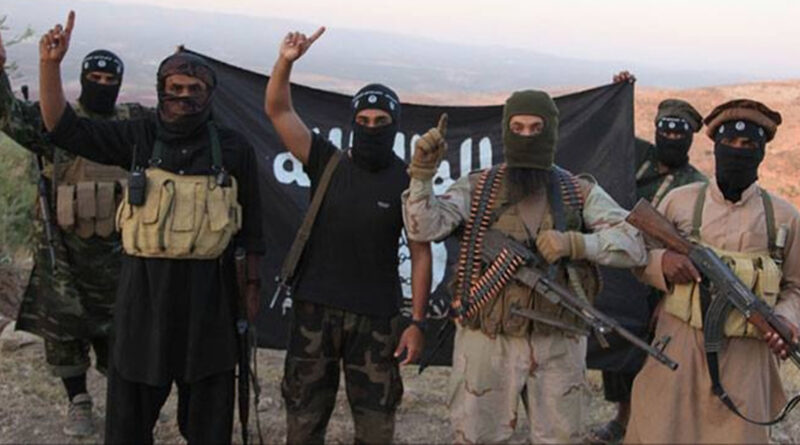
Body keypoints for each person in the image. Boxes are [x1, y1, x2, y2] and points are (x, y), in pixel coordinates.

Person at [37, 12, 265, 443]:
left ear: (209, 95)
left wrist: (251, 287)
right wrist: (50, 66)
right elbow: (65, 129)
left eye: (194, 90)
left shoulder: (233, 148)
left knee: (208, 424)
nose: (184, 97)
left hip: (209, 300)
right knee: (128, 424)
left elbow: (252, 228)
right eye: (175, 89)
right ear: (162, 90)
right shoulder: (138, 137)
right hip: (143, 299)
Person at [402, 89, 647, 443]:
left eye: (536, 128)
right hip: (487, 339)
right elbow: (423, 228)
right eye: (517, 128)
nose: (527, 137)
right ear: (506, 131)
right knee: (476, 437)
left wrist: (577, 243)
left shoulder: (577, 192)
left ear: (552, 133)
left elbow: (635, 244)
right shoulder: (478, 188)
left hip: (558, 340)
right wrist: (422, 176)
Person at [265, 27, 433, 444]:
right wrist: (286, 61)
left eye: (381, 121)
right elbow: (278, 110)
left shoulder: (406, 181)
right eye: (363, 121)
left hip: (377, 320)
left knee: (376, 427)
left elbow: (421, 253)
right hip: (314, 313)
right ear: (353, 123)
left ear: (395, 125)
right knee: (303, 422)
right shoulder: (326, 161)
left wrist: (416, 323)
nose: (371, 127)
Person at [625, 99, 800, 443]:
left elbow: (795, 286)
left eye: (748, 144)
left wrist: (785, 318)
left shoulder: (784, 217)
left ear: (761, 153)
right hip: (679, 343)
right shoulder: (681, 201)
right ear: (716, 147)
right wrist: (663, 263)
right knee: (660, 431)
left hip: (747, 356)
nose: (738, 151)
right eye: (729, 142)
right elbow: (637, 255)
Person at [0, 28, 147, 436]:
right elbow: (8, 115)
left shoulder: (132, 124)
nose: (102, 85)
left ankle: (124, 403)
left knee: (124, 334)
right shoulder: (55, 120)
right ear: (82, 78)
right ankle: (78, 401)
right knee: (64, 330)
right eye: (94, 78)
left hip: (122, 257)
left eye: (110, 79)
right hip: (64, 255)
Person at [587, 72, 707, 444]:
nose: (670, 137)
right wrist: (615, 91)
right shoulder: (637, 156)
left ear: (690, 137)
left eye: (679, 132)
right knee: (614, 346)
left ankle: (647, 425)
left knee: (648, 355)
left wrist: (666, 298)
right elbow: (606, 133)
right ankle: (623, 419)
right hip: (617, 266)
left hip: (659, 279)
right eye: (664, 129)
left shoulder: (696, 185)